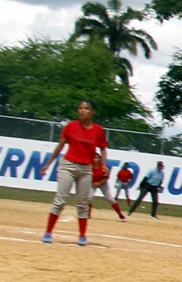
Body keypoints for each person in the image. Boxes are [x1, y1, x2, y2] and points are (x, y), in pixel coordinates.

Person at [39, 99, 107, 245]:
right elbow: (60, 147)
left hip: (85, 169)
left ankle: (82, 236)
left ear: (92, 112)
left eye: (87, 108)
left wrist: (104, 164)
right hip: (68, 165)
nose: (83, 111)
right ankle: (48, 233)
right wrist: (48, 164)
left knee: (83, 203)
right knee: (60, 200)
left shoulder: (98, 130)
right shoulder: (71, 126)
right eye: (81, 108)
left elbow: (102, 148)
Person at [93, 153, 127, 221]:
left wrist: (99, 183)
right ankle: (88, 214)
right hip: (93, 183)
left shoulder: (103, 167)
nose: (94, 159)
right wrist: (94, 183)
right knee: (89, 197)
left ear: (99, 159)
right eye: (93, 157)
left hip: (103, 183)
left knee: (110, 199)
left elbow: (106, 178)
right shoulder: (89, 166)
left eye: (96, 157)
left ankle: (120, 215)